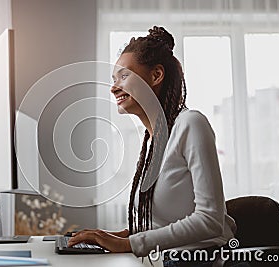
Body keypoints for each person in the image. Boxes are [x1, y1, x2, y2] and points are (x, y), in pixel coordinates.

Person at [67, 26, 237, 267]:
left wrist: (129, 245)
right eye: (114, 79)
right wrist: (115, 237)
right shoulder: (153, 141)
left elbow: (209, 221)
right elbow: (161, 224)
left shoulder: (191, 124)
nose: (114, 87)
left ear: (156, 76)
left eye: (124, 76)